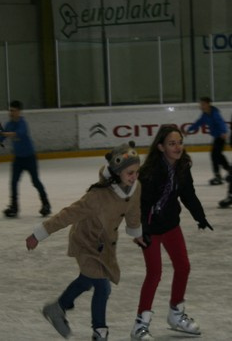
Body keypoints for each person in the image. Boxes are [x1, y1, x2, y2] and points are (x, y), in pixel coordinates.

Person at [25, 142, 147, 341]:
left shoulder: (135, 188)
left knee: (87, 280)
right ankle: (100, 331)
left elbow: (133, 211)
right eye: (130, 173)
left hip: (105, 244)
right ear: (117, 172)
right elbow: (68, 214)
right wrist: (38, 234)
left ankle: (57, 308)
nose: (134, 177)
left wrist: (137, 233)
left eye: (137, 172)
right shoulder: (97, 196)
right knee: (102, 286)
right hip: (85, 242)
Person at [130, 124, 213, 341]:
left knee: (183, 267)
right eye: (171, 144)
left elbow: (188, 194)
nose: (177, 147)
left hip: (171, 225)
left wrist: (200, 216)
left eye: (179, 143)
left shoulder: (182, 167)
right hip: (150, 229)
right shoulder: (149, 173)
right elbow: (140, 204)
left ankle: (176, 314)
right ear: (161, 147)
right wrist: (140, 230)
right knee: (154, 273)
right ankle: (140, 325)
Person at [0, 100, 51, 217]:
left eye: (13, 111)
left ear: (19, 111)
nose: (11, 113)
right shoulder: (9, 124)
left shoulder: (23, 123)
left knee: (35, 181)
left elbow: (16, 134)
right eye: (10, 110)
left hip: (29, 158)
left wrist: (2, 133)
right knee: (13, 182)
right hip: (18, 159)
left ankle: (46, 204)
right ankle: (14, 207)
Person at [186, 97, 230, 185]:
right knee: (217, 155)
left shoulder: (215, 113)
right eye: (200, 104)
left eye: (203, 104)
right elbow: (198, 123)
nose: (201, 106)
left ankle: (220, 175)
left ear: (208, 104)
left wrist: (224, 132)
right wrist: (189, 130)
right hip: (217, 137)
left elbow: (221, 123)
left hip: (221, 137)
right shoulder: (205, 115)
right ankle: (230, 171)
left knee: (215, 155)